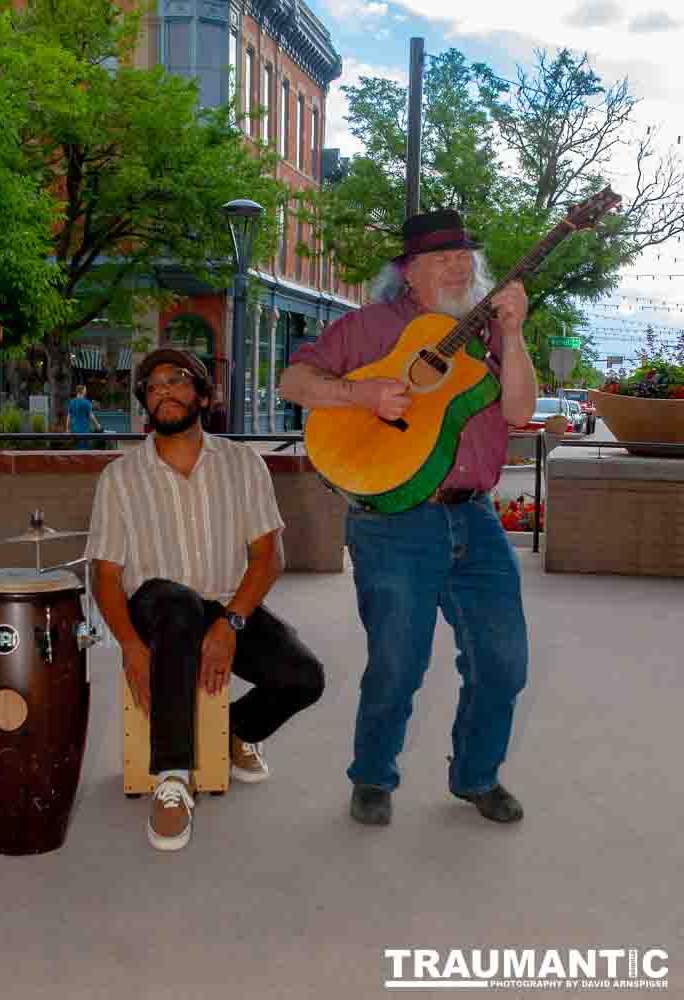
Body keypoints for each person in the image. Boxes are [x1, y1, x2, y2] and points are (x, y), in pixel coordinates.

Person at [279, 209, 537, 827]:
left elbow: (520, 412)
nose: (458, 266)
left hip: (475, 518)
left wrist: (515, 333)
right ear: (408, 271)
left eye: (465, 255)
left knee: (503, 661)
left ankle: (476, 776)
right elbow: (293, 380)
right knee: (398, 663)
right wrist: (359, 393)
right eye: (442, 257)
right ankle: (372, 776)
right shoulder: (369, 327)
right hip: (393, 522)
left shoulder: (490, 332)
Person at [86, 347, 324, 851]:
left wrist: (230, 624)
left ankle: (234, 732)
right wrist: (129, 645)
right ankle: (172, 779)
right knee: (176, 606)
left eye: (176, 380)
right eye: (152, 387)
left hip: (225, 604)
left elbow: (268, 557)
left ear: (202, 395)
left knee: (304, 676)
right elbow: (105, 576)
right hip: (156, 605)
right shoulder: (120, 478)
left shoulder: (243, 464)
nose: (163, 392)